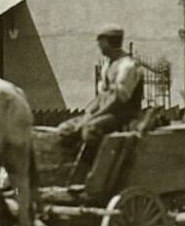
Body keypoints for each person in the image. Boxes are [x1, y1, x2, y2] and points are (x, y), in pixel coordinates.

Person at [55, 26, 146, 166]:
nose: (99, 46)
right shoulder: (108, 65)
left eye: (100, 42)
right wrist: (88, 113)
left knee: (90, 130)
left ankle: (92, 170)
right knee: (65, 128)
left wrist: (93, 117)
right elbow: (102, 96)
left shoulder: (127, 66)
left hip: (124, 115)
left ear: (108, 43)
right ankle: (68, 165)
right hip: (107, 113)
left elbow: (118, 100)